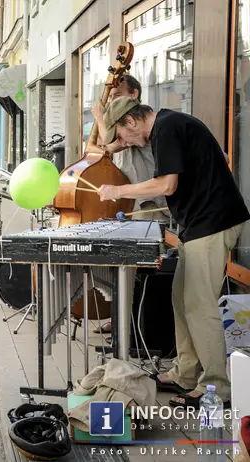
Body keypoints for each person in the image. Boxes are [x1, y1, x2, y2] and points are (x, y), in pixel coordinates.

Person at [98, 96, 250, 408]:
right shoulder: (170, 125)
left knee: (199, 306)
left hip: (212, 223)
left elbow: (166, 185)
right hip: (199, 223)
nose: (123, 143)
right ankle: (185, 373)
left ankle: (215, 389)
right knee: (180, 299)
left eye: (121, 136)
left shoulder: (165, 129)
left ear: (131, 121)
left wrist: (119, 191)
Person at [90, 74, 168, 222]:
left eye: (118, 96)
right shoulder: (124, 126)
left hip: (148, 202)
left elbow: (110, 146)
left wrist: (100, 118)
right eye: (110, 97)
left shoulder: (139, 126)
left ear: (134, 94)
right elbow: (101, 145)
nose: (113, 101)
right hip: (131, 200)